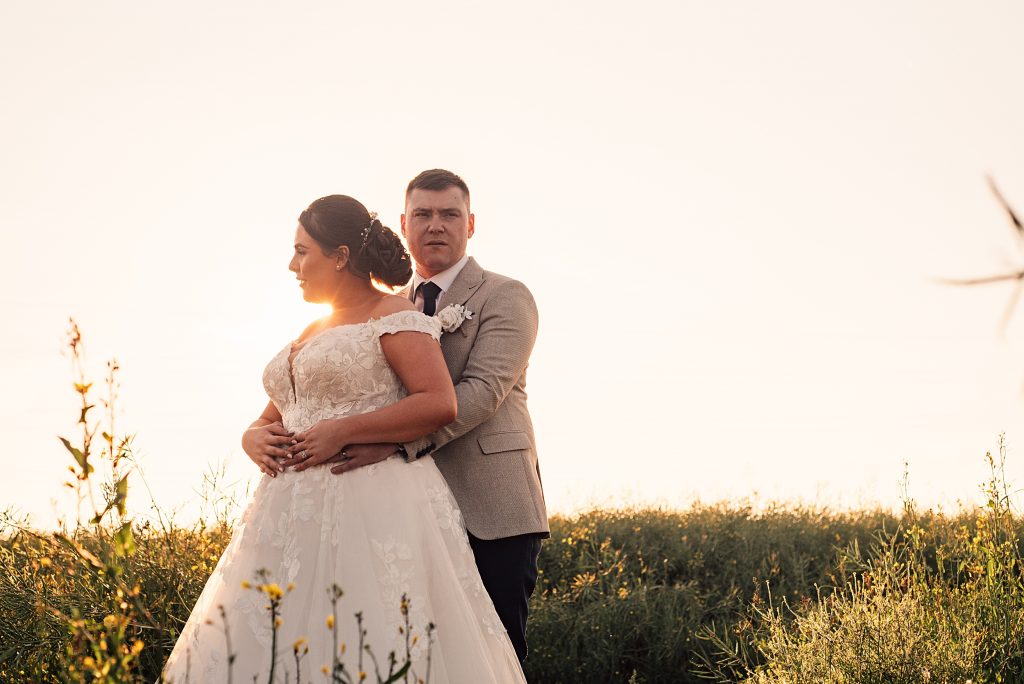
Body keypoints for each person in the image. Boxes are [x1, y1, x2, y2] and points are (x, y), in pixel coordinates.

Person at [162, 195, 525, 683]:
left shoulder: (393, 314)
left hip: (366, 500)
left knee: (366, 635)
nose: (293, 265)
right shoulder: (312, 327)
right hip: (286, 514)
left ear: (339, 256)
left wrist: (344, 430)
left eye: (302, 251)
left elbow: (440, 402)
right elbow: (278, 412)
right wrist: (252, 437)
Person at [311, 169, 549, 663]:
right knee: (412, 653)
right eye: (423, 214)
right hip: (401, 506)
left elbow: (483, 392)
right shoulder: (385, 305)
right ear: (403, 223)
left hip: (491, 508)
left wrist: (398, 445)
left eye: (449, 214)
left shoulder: (506, 295)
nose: (435, 225)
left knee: (489, 655)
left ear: (471, 223)